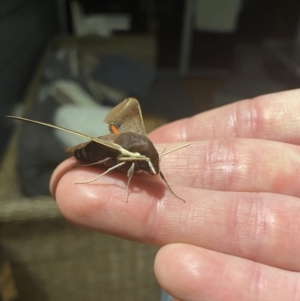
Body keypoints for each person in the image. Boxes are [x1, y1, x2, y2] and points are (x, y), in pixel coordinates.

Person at [50, 89, 300, 301]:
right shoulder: (127, 155)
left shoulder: (146, 156)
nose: (154, 172)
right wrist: (97, 177)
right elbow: (118, 162)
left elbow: (151, 166)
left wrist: (168, 188)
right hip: (95, 151)